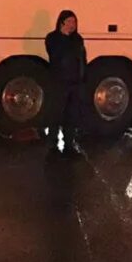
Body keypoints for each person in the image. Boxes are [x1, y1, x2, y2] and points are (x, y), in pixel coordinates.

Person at [45, 9, 87, 156]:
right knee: (56, 113)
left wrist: (82, 78)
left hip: (74, 82)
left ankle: (69, 143)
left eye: (74, 22)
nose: (72, 24)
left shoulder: (78, 39)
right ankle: (52, 143)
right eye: (69, 21)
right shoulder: (53, 38)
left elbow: (82, 59)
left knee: (71, 114)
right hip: (58, 81)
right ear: (62, 22)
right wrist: (64, 37)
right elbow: (54, 55)